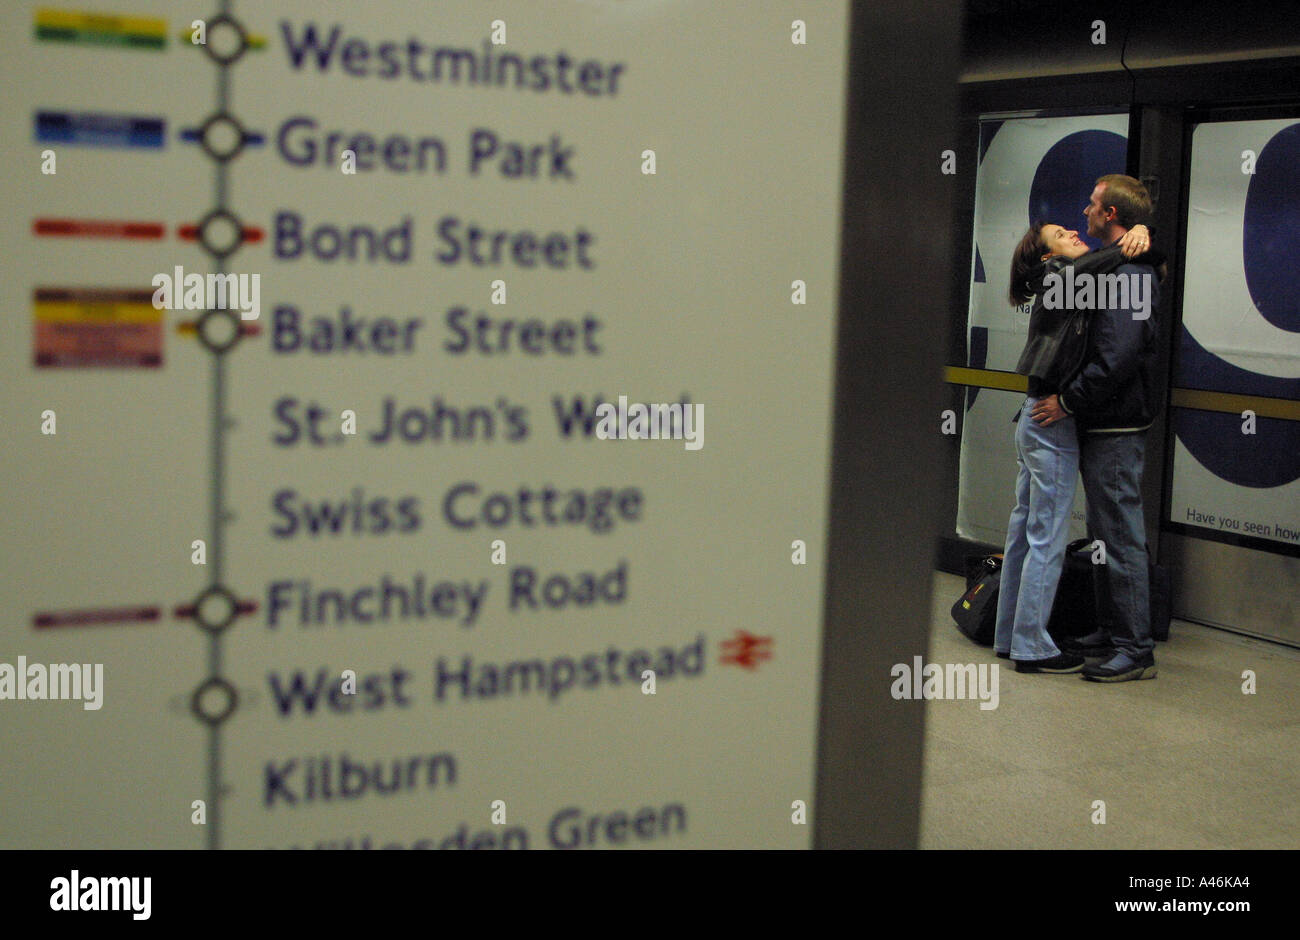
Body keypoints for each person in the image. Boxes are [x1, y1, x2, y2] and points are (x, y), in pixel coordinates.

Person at [994, 218, 1155, 674]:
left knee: (1024, 532)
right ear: (1049, 258)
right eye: (1061, 236)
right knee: (1046, 536)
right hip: (1050, 422)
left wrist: (1143, 249)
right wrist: (1135, 245)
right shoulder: (1058, 279)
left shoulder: (1062, 282)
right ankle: (1032, 646)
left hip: (1033, 417)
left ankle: (1009, 635)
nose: (1073, 233)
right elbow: (1088, 273)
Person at [1030, 174, 1162, 682]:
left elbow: (1118, 357)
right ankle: (1112, 630)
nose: (1084, 210)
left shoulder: (1131, 278)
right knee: (1105, 533)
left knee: (1121, 535)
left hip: (1116, 426)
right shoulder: (1118, 267)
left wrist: (1067, 400)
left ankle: (1135, 647)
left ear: (1110, 215)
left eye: (1092, 204)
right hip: (1104, 423)